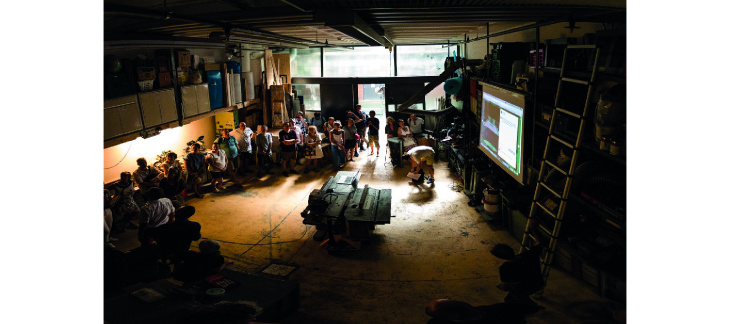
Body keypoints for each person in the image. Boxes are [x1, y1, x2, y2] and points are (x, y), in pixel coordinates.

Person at [490, 219, 545, 315]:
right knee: (511, 298)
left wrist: (501, 286)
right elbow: (540, 243)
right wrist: (534, 229)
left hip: (525, 288)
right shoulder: (529, 255)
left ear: (499, 257)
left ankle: (534, 309)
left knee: (512, 298)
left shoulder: (504, 268)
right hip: (538, 282)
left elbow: (506, 286)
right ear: (511, 249)